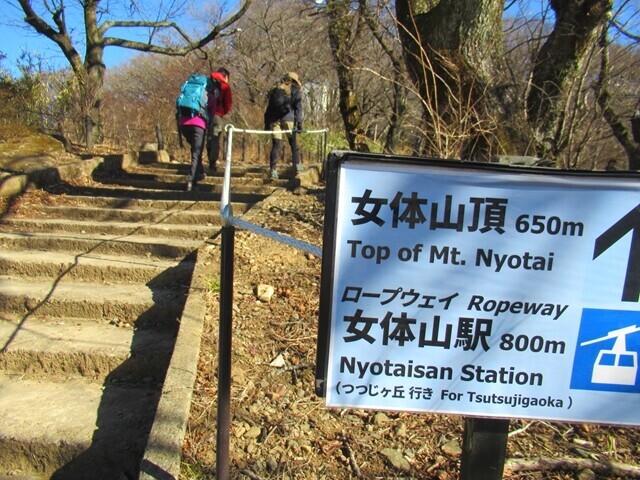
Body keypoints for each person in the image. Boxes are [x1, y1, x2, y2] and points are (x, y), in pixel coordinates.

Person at [264, 72, 304, 179]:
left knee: (276, 144)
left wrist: (267, 123)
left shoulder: (276, 89)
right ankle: (297, 167)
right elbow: (298, 108)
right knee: (293, 142)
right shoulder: (295, 90)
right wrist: (299, 123)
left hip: (274, 120)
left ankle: (273, 170)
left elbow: (269, 108)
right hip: (288, 119)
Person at [207, 67, 232, 173]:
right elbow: (228, 103)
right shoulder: (225, 86)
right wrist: (222, 112)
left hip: (206, 114)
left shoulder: (208, 83)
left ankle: (207, 159)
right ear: (225, 76)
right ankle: (212, 163)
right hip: (218, 115)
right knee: (215, 138)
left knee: (208, 137)